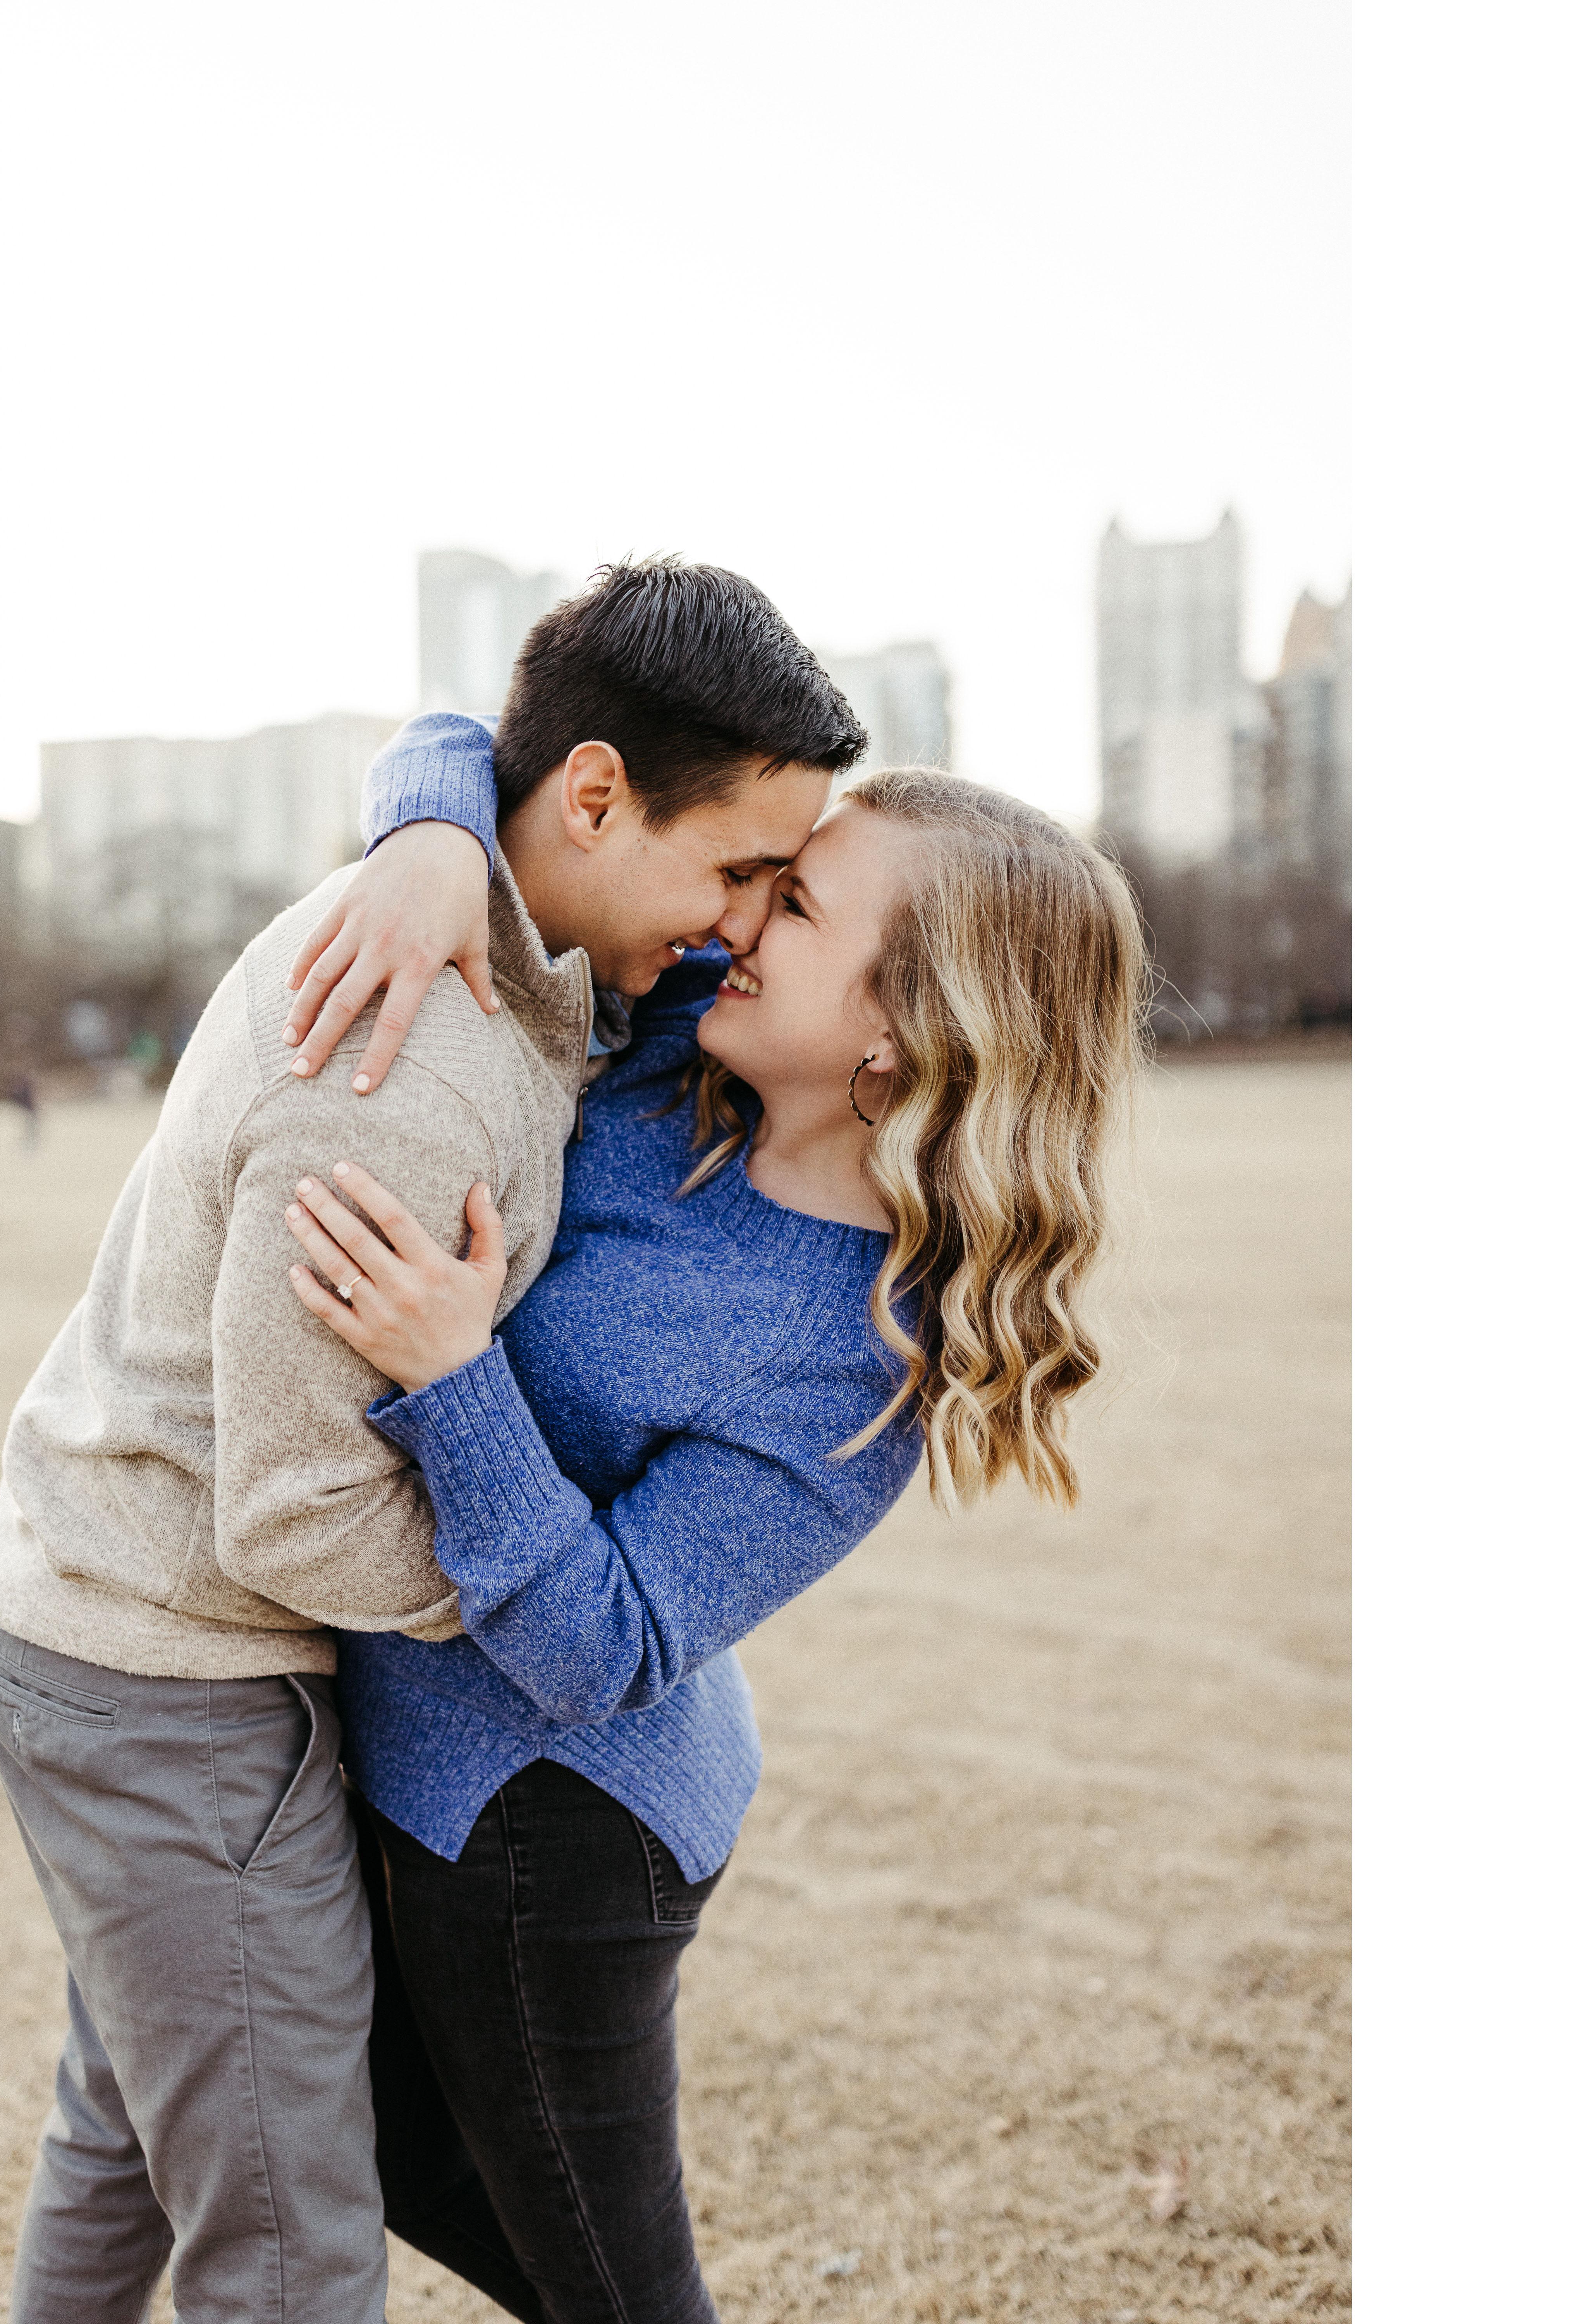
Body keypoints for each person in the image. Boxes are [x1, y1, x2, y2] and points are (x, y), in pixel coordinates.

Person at [0, 558, 865, 2324]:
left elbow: (479, 750)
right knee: (291, 2242)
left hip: (105, 1614)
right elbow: (301, 1515)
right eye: (739, 871)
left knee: (128, 2123)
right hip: (170, 1669)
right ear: (594, 799)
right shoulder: (411, 1069)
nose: (746, 926)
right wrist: (543, 1611)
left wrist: (438, 811)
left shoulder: (531, 956)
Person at [274, 718, 1147, 2322]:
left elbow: (602, 1648)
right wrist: (431, 846)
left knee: (611, 2284)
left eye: (795, 906)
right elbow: (493, 747)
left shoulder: (858, 1362)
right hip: (421, 1763)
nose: (739, 918)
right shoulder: (684, 1027)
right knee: (383, 2151)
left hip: (556, 1834)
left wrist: (455, 1375)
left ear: (904, 1028)